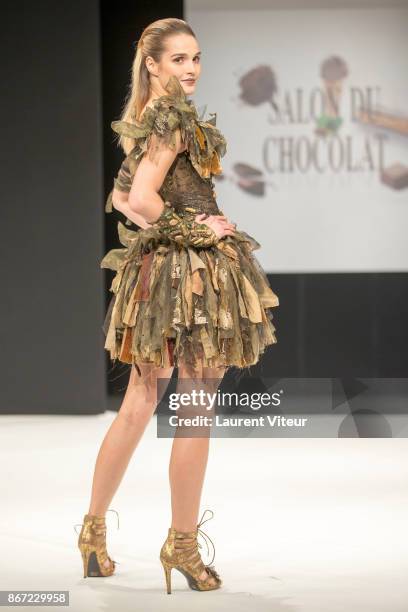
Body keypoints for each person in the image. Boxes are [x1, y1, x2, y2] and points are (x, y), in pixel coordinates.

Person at [75, 17, 279, 594]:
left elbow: (119, 196)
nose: (190, 69)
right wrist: (198, 230)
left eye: (196, 58)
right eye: (179, 59)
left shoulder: (147, 120)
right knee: (193, 404)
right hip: (187, 277)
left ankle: (92, 533)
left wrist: (172, 229)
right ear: (153, 65)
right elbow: (139, 198)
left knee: (142, 400)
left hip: (156, 276)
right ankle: (183, 546)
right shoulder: (172, 119)